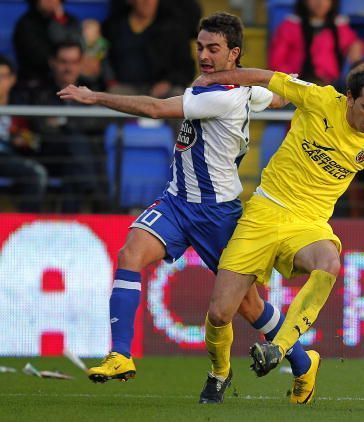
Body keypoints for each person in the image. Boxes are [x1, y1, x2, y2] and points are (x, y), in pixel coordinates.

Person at [57, 12, 314, 405]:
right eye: (200, 48)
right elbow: (274, 95)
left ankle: (302, 361)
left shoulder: (221, 95)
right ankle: (121, 354)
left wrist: (96, 97)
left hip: (218, 214)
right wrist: (292, 88)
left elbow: (158, 110)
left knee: (249, 306)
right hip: (177, 202)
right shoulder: (234, 88)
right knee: (129, 253)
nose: (205, 56)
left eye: (213, 49)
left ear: (235, 53)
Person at [192, 62, 364, 401]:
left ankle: (280, 349)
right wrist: (212, 78)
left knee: (329, 261)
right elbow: (264, 78)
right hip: (265, 210)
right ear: (348, 98)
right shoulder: (318, 98)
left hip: (309, 223)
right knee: (220, 312)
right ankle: (219, 374)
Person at [25, 41, 104, 213]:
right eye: (63, 62)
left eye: (73, 62)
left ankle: (69, 220)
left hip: (77, 158)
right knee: (77, 143)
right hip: (48, 154)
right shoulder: (39, 89)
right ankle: (96, 194)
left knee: (74, 164)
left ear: (81, 62)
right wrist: (75, 124)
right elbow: (41, 127)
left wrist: (63, 122)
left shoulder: (92, 88)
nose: (68, 68)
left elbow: (100, 122)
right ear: (52, 62)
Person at [102, 0, 196, 97]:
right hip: (125, 88)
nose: (147, 2)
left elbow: (186, 69)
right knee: (112, 94)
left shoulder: (174, 28)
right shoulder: (113, 26)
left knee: (177, 94)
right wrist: (110, 80)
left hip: (161, 89)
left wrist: (168, 82)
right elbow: (103, 59)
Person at [269, 0, 364, 87]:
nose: (320, 3)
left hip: (330, 85)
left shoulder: (339, 27)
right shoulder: (290, 26)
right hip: (297, 85)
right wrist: (291, 81)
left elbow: (355, 45)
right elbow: (276, 62)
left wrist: (355, 47)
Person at [0, 55, 47, 212]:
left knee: (36, 173)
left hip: (13, 157)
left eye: (2, 77)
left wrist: (24, 140)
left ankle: (26, 227)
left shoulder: (22, 105)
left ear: (12, 79)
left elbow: (36, 139)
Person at [12, 0, 82, 92]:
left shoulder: (70, 20)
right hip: (35, 81)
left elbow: (73, 46)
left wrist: (59, 20)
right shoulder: (26, 23)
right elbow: (39, 56)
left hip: (68, 81)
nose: (50, 1)